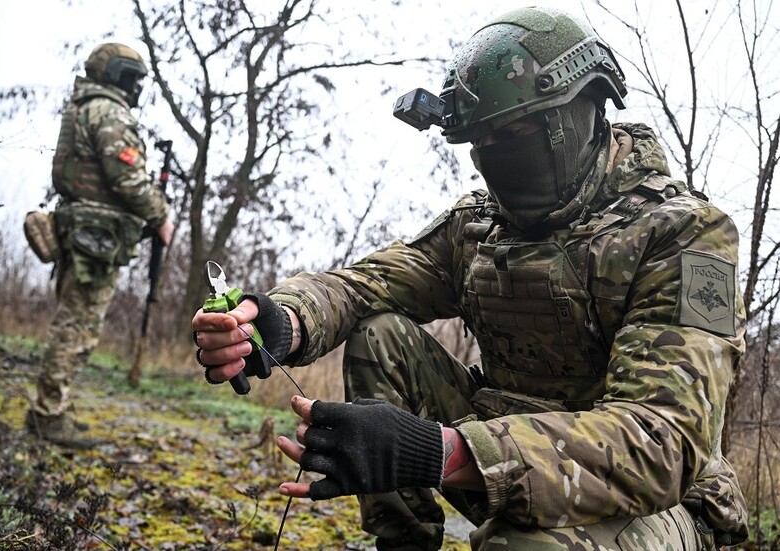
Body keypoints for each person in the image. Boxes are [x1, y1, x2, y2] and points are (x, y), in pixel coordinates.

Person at [192, 7, 748, 550]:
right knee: (381, 333)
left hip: (660, 504)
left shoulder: (690, 238)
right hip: (497, 455)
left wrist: (441, 452)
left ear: (576, 112)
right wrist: (281, 319)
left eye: (511, 135)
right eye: (478, 142)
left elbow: (661, 443)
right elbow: (366, 286)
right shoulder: (479, 228)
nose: (490, 158)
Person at [26, 42, 174, 448]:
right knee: (77, 328)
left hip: (89, 233)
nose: (137, 87)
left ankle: (52, 408)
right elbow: (126, 175)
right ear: (115, 75)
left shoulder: (88, 106)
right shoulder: (107, 111)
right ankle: (48, 414)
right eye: (132, 78)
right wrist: (161, 215)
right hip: (94, 236)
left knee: (76, 324)